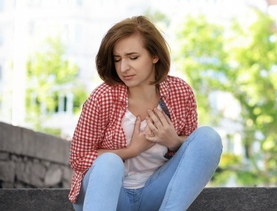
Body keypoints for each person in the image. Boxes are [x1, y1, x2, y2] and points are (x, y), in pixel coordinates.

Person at [69, 16, 223, 211]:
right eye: (117, 60)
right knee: (109, 162)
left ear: (154, 55)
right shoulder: (103, 97)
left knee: (208, 137)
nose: (124, 68)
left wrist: (173, 141)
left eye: (133, 57)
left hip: (156, 191)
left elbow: (193, 152)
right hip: (112, 197)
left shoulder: (180, 92)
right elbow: (79, 158)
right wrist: (131, 150)